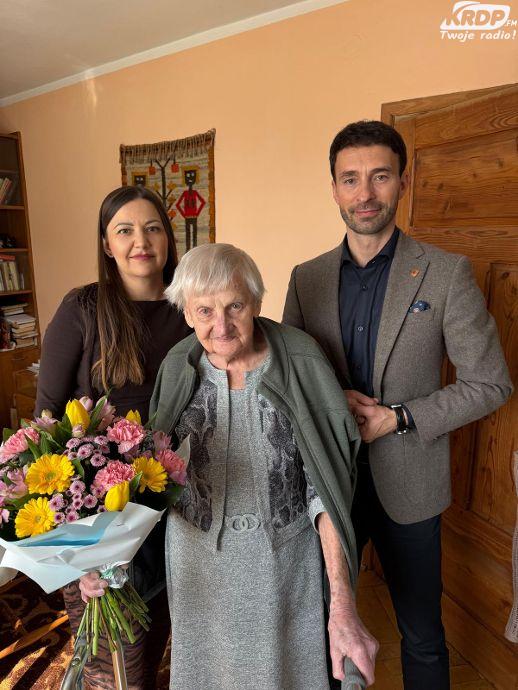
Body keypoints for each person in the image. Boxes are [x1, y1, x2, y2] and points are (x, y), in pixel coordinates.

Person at [282, 120, 513, 690]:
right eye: (351, 179)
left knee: (422, 634)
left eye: (380, 176)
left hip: (411, 483)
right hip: (327, 484)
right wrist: (331, 399)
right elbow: (289, 378)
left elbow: (490, 383)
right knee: (320, 625)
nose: (365, 193)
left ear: (403, 182)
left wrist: (399, 418)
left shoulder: (446, 273)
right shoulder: (306, 279)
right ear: (333, 188)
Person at [148, 242, 378, 688]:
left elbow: (323, 488)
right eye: (204, 311)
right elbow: (152, 475)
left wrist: (342, 602)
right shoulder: (178, 365)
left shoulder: (301, 358)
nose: (221, 326)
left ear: (255, 301)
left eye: (235, 305)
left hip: (284, 562)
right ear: (187, 313)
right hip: (197, 563)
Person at [35, 185, 192, 690]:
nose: (140, 241)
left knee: (154, 649)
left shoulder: (191, 309)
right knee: (112, 670)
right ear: (107, 244)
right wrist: (75, 553)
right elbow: (47, 422)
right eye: (124, 230)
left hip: (174, 514)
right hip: (98, 526)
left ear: (168, 238)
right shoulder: (83, 308)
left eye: (152, 228)